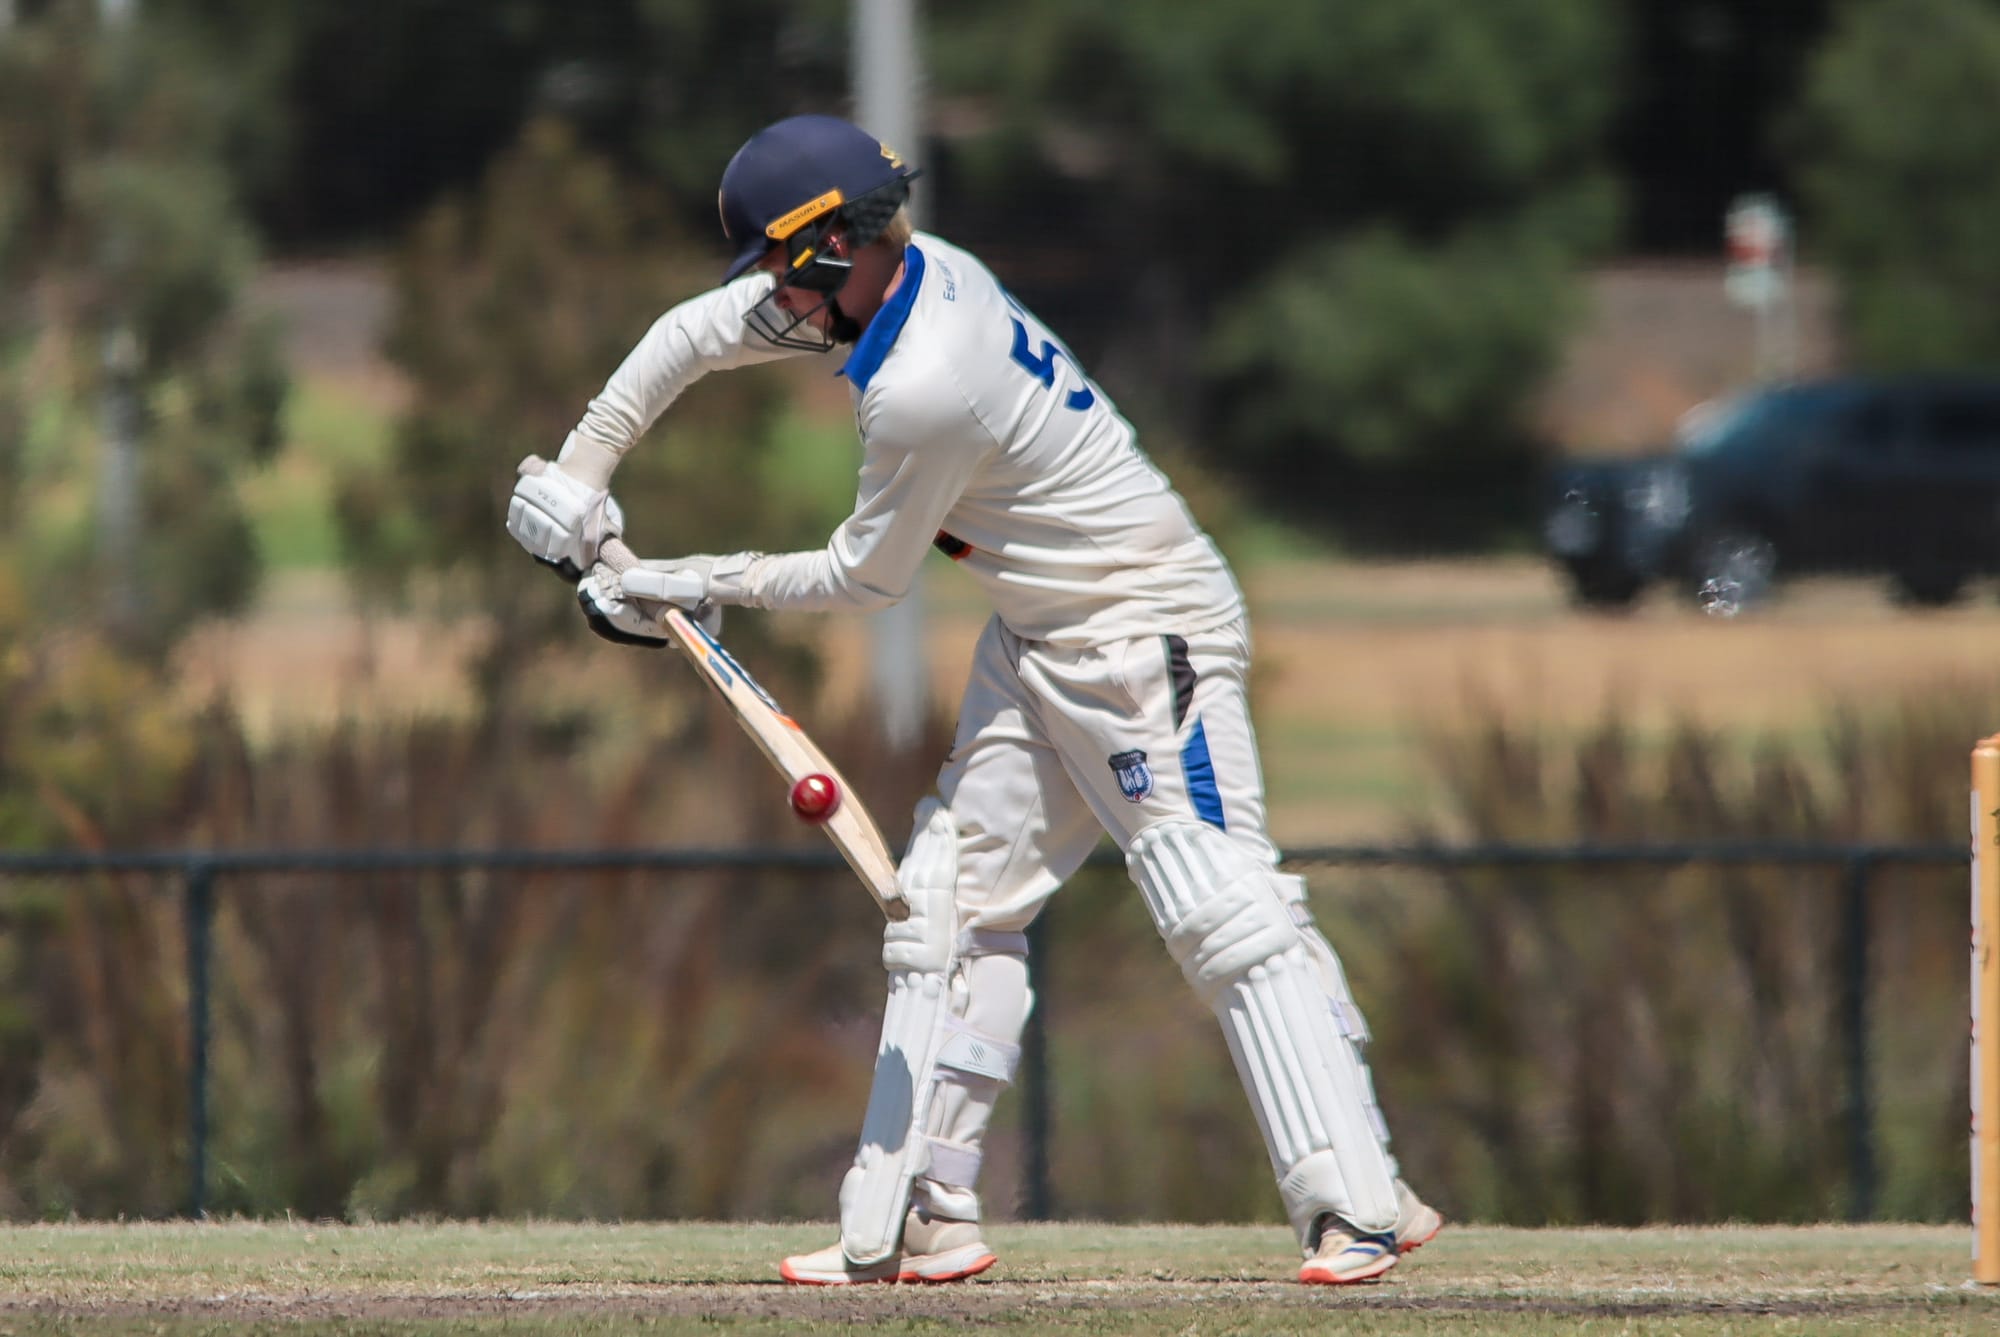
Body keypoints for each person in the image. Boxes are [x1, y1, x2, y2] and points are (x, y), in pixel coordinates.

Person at [505, 114, 1442, 1286]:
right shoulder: (898, 276)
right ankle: (926, 1212)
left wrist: (678, 580)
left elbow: (866, 577)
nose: (773, 304)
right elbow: (690, 335)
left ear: (832, 251)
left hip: (1145, 632)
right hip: (1036, 630)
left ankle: (1356, 1203)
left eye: (782, 274)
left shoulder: (925, 382)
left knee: (1220, 905)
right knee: (947, 903)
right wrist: (580, 476)